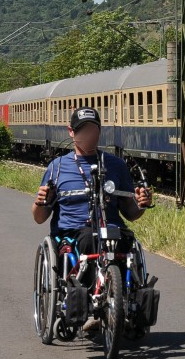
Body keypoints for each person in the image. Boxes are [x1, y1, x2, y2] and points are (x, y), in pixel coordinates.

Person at [32, 107, 152, 332]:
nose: (88, 135)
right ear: (71, 132)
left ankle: (123, 300)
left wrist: (141, 204)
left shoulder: (116, 166)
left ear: (99, 131)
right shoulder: (57, 168)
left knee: (126, 240)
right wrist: (40, 202)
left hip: (111, 229)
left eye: (93, 129)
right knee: (89, 239)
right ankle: (86, 300)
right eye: (82, 130)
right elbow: (39, 218)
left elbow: (131, 213)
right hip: (73, 233)